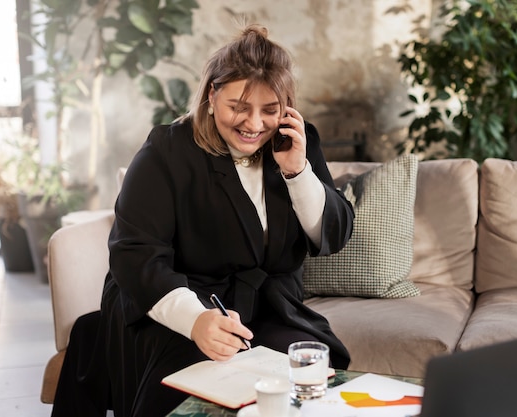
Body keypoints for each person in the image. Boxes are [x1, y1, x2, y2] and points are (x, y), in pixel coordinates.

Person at [51, 24, 354, 417]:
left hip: (267, 307)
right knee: (191, 393)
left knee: (309, 381)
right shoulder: (168, 149)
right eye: (238, 107)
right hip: (175, 305)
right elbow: (135, 255)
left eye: (270, 110)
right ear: (212, 95)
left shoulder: (298, 142)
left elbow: (333, 235)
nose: (254, 124)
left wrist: (298, 172)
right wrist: (195, 322)